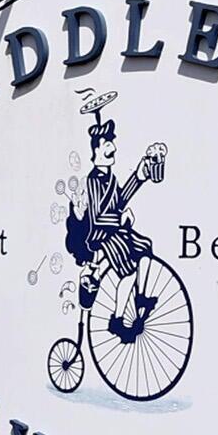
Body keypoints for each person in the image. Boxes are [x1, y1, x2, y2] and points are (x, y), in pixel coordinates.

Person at [65, 118, 166, 331]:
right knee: (128, 271)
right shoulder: (93, 180)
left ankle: (141, 298)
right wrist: (119, 219)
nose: (113, 147)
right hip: (100, 236)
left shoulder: (109, 178)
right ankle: (117, 321)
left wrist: (139, 176)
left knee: (145, 248)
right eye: (106, 143)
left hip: (114, 231)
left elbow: (119, 201)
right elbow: (97, 216)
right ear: (96, 151)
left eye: (112, 142)